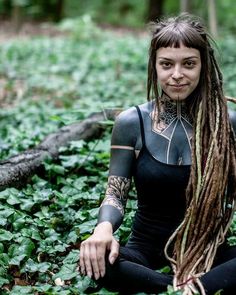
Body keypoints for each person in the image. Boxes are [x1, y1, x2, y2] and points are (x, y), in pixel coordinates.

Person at [79, 13, 236, 295]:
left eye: (189, 64)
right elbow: (115, 193)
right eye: (166, 64)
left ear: (204, 66)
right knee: (98, 260)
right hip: (145, 249)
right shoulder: (131, 122)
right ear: (155, 65)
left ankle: (195, 287)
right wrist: (103, 229)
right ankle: (179, 288)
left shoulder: (228, 123)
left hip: (209, 251)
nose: (177, 74)